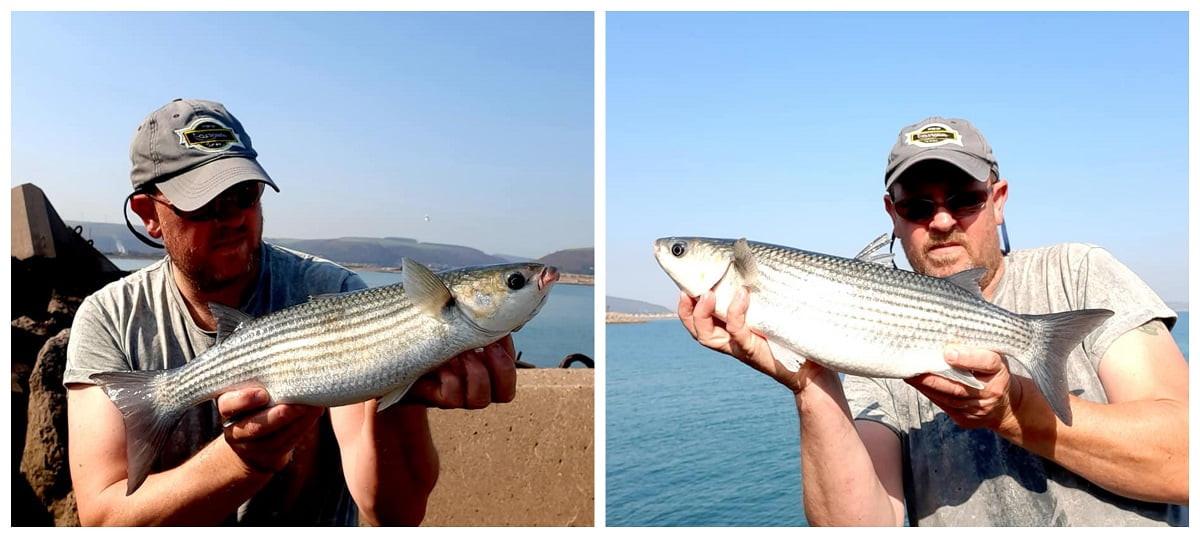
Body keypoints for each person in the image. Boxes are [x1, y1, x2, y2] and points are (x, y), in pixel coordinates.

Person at [677, 116, 1188, 526]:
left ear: (999, 199)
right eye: (918, 206)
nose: (942, 221)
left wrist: (1012, 412)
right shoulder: (857, 339)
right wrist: (809, 383)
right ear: (892, 214)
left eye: (965, 199)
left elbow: (1188, 459)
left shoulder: (1079, 273)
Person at [64, 98, 519, 526]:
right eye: (203, 202)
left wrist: (403, 381)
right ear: (149, 213)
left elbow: (391, 514)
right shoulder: (108, 318)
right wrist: (243, 460)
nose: (233, 217)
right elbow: (103, 517)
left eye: (244, 193)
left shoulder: (330, 291)